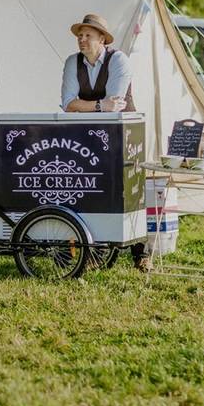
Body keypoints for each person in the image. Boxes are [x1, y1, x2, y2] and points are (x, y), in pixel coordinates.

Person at [60, 13, 150, 272]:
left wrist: (86, 106)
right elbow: (68, 105)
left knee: (131, 190)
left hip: (125, 134)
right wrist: (99, 105)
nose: (82, 39)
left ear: (102, 39)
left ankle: (140, 253)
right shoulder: (72, 62)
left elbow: (116, 106)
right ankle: (91, 251)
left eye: (88, 35)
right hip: (89, 134)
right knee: (90, 188)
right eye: (80, 35)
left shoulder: (118, 60)